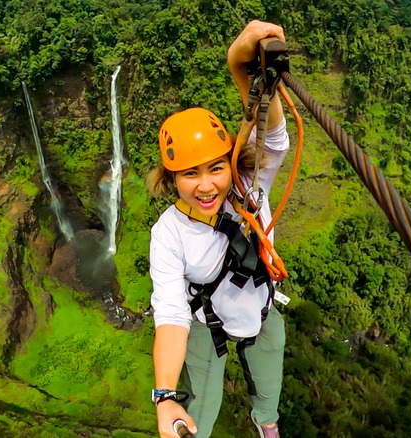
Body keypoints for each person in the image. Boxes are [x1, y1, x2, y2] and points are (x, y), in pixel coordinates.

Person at [147, 21, 289, 438]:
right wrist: (164, 395)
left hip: (260, 314)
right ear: (172, 179)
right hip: (205, 326)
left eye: (215, 167)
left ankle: (266, 424)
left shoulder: (248, 186)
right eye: (190, 173)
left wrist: (238, 65)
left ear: (231, 162)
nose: (206, 185)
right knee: (197, 418)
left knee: (269, 391)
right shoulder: (168, 233)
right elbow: (171, 315)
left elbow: (274, 136)